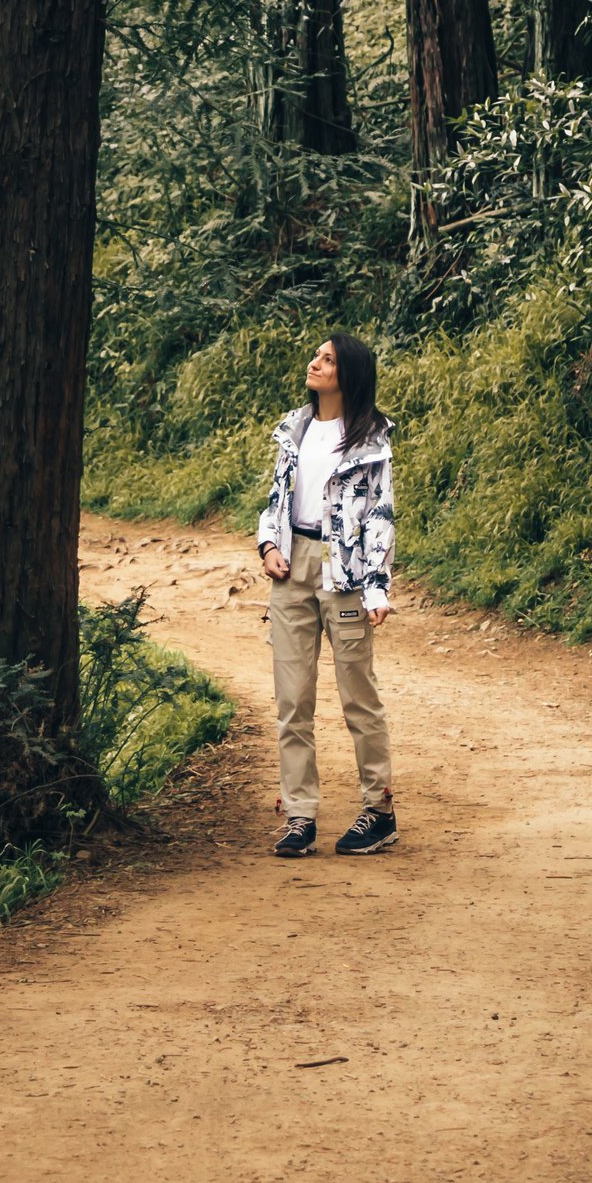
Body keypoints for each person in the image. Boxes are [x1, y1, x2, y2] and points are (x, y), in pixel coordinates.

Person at [255, 329, 397, 859]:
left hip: (347, 573)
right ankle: (299, 817)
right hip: (291, 571)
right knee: (293, 701)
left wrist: (377, 588)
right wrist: (268, 543)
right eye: (317, 356)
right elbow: (276, 498)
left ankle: (378, 811)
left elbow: (379, 516)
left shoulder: (370, 439)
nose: (315, 364)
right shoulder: (294, 429)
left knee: (358, 697)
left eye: (328, 360)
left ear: (348, 375)